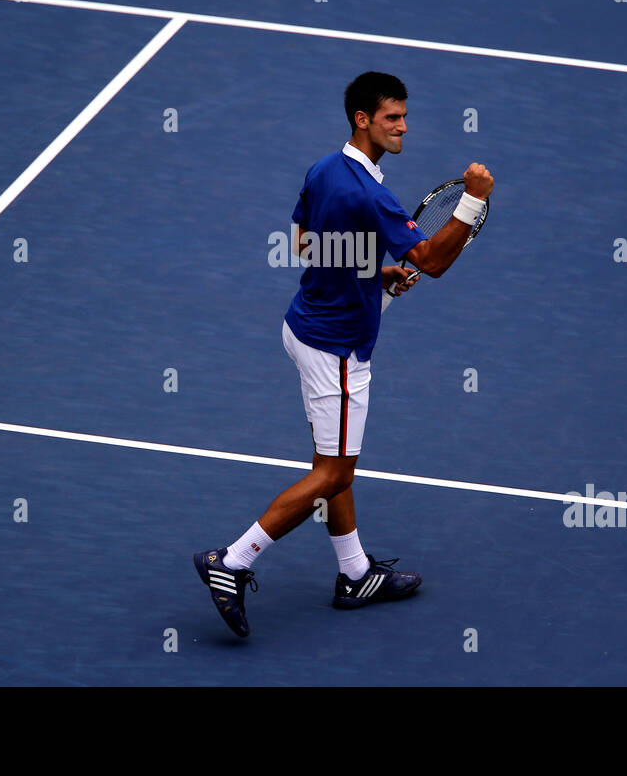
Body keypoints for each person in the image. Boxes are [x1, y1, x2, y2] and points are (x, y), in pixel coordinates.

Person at [194, 71, 494, 637]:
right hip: (336, 350)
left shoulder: (324, 170)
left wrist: (370, 274)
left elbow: (306, 241)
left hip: (304, 324)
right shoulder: (372, 193)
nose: (404, 126)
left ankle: (355, 574)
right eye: (392, 118)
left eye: (404, 115)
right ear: (363, 119)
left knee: (336, 461)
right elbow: (431, 261)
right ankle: (231, 562)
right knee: (333, 472)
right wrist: (472, 203)